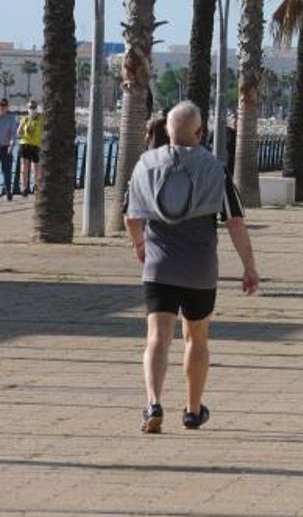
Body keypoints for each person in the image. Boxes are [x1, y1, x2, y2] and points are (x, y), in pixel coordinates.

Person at [123, 101, 259, 434]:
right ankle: (193, 410)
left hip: (159, 267)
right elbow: (235, 222)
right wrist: (249, 267)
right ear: (200, 132)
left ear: (168, 131)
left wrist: (140, 245)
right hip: (200, 269)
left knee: (157, 337)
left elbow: (130, 217)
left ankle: (153, 403)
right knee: (196, 338)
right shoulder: (215, 168)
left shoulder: (144, 165)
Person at [17, 100, 44, 197]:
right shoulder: (25, 119)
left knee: (36, 168)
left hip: (36, 145)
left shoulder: (41, 118)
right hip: (25, 144)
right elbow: (19, 132)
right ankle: (24, 187)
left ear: (37, 108)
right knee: (24, 167)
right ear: (28, 109)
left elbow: (46, 129)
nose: (32, 110)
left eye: (34, 108)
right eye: (30, 108)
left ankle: (37, 186)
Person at [0, 99, 17, 201]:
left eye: (4, 105)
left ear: (7, 107)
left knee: (7, 171)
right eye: (1, 105)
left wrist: (11, 145)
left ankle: (8, 192)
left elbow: (13, 134)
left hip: (6, 148)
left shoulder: (11, 119)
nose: (2, 107)